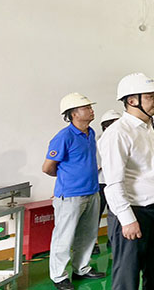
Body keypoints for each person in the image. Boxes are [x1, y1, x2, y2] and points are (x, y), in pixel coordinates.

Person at [98, 73, 154, 290]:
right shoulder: (118, 133)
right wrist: (127, 219)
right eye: (150, 96)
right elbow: (113, 182)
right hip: (133, 213)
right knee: (127, 280)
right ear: (131, 100)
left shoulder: (149, 129)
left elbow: (153, 168)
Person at [42, 93, 105, 290]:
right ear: (73, 114)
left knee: (87, 235)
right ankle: (59, 276)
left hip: (92, 191)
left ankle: (81, 268)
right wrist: (68, 178)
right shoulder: (64, 137)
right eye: (86, 108)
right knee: (64, 236)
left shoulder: (90, 133)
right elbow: (47, 167)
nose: (92, 110)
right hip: (70, 196)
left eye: (90, 107)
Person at [93, 109, 122, 255]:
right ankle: (93, 243)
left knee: (115, 213)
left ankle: (113, 238)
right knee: (95, 214)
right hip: (100, 182)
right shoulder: (99, 140)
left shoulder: (122, 139)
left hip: (116, 182)